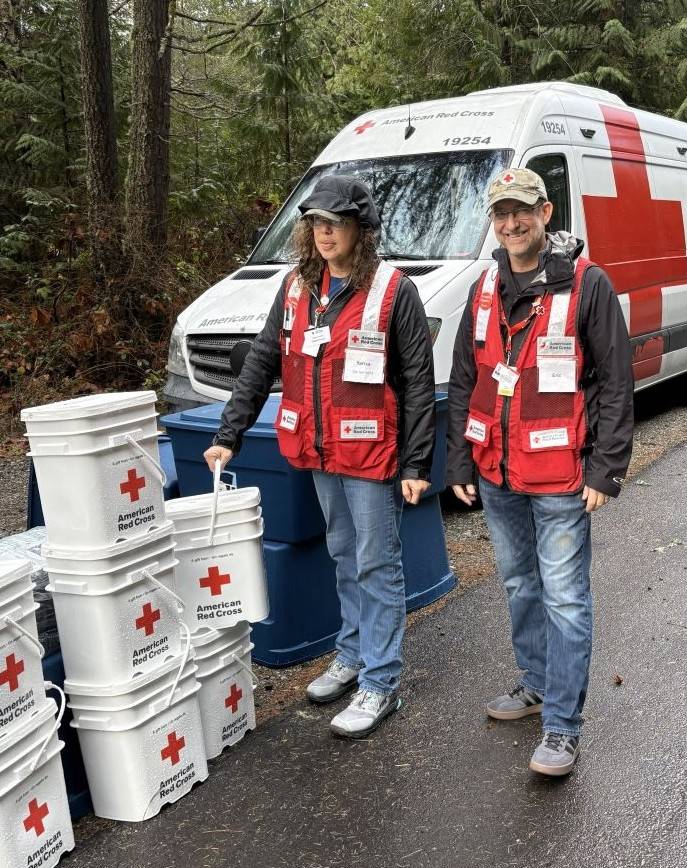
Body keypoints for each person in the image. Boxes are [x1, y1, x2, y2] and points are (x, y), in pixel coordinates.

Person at [204, 175, 436, 738]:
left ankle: (380, 683)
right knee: (343, 554)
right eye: (317, 224)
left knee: (378, 564)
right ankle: (352, 654)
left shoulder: (391, 290)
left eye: (336, 223)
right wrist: (229, 432)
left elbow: (418, 382)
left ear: (362, 228)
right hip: (321, 450)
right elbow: (263, 361)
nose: (326, 233)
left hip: (374, 453)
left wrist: (418, 462)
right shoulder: (295, 289)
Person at [446, 168, 634, 776]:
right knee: (519, 585)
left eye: (521, 211)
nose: (510, 223)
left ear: (545, 212)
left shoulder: (586, 284)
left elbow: (614, 379)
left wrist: (606, 468)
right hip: (497, 471)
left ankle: (562, 725)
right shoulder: (483, 287)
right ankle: (534, 684)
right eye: (500, 214)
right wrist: (458, 459)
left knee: (566, 599)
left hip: (560, 474)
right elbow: (464, 380)